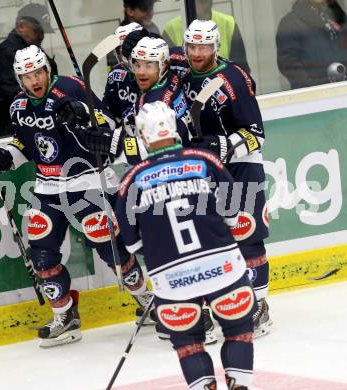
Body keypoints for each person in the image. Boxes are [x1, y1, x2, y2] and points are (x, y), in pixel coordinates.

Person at [0, 45, 154, 348]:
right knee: (42, 254)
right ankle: (65, 316)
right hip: (48, 187)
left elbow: (108, 124)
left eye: (38, 72)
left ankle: (146, 300)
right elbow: (25, 146)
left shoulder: (72, 86)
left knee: (109, 247)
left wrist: (82, 112)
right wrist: (1, 158)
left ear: (48, 69)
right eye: (27, 76)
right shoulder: (18, 107)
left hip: (88, 181)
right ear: (20, 79)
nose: (35, 80)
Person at [116, 101, 257, 390]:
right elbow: (233, 215)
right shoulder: (204, 160)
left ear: (143, 136)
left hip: (171, 278)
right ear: (175, 128)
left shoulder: (130, 180)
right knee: (238, 329)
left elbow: (132, 244)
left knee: (187, 342)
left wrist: (162, 244)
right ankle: (240, 383)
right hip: (223, 267)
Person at [182, 19, 272, 338]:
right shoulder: (181, 75)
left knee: (247, 233)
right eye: (192, 46)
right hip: (206, 170)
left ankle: (259, 303)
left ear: (215, 47)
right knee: (211, 240)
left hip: (242, 166)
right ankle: (220, 302)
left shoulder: (233, 78)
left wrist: (223, 145)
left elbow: (257, 134)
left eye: (203, 46)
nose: (196, 52)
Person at [0, 4, 56, 138]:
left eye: (43, 30)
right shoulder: (6, 54)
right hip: (16, 131)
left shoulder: (31, 48)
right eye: (38, 30)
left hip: (34, 124)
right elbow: (3, 94)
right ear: (21, 27)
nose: (42, 35)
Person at [276, 0, 347, 89]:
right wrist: (317, 88)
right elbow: (290, 66)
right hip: (315, 97)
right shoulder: (290, 23)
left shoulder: (337, 17)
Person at [162, 0, 249, 72]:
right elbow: (166, 73)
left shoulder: (228, 23)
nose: (203, 5)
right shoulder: (171, 28)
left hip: (223, 86)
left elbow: (242, 69)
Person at [103, 22, 143, 127]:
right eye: (121, 50)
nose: (125, 55)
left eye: (130, 48)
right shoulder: (115, 74)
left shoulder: (156, 71)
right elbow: (107, 109)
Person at [106, 0, 160, 70]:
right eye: (145, 8)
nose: (150, 13)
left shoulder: (153, 28)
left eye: (151, 7)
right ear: (130, 11)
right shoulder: (117, 40)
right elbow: (114, 75)